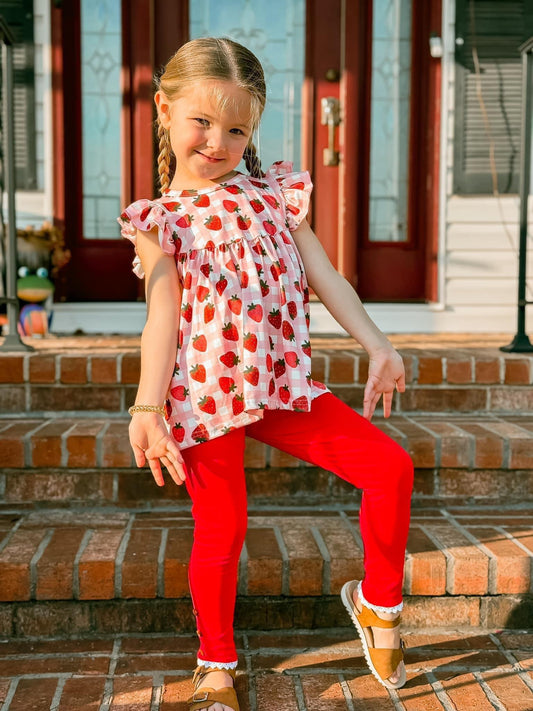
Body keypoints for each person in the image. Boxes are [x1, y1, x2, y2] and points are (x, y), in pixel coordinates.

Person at [117, 36, 413, 711]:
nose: (217, 141)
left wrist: (377, 344)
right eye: (201, 121)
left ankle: (377, 604)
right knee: (222, 527)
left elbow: (325, 276)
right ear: (163, 108)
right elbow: (161, 314)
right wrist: (144, 407)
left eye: (236, 127)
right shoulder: (161, 221)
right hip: (203, 397)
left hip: (281, 387)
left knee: (389, 467)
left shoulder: (276, 193)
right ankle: (215, 663)